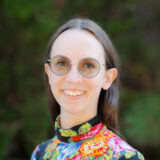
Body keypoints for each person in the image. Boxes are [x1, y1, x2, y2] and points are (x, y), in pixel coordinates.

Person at [30, 18, 145, 160]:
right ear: (49, 73)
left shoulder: (125, 157)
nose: (73, 78)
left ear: (108, 78)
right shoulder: (40, 153)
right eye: (61, 63)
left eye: (89, 65)